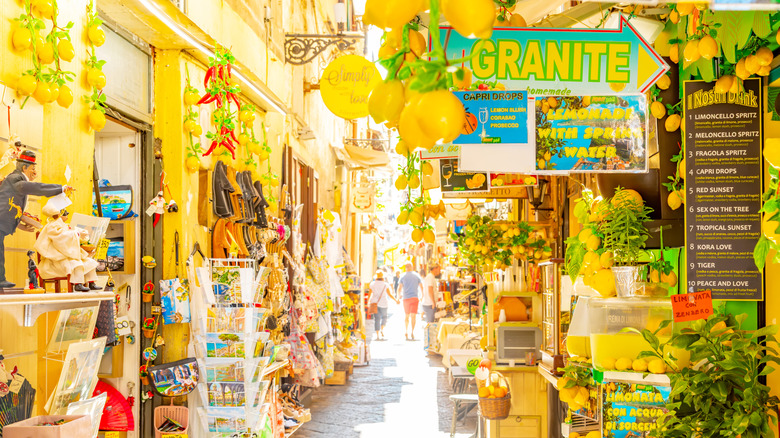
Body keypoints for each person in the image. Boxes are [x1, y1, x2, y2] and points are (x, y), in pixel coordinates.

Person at [0, 150, 72, 288]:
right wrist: (60, 189)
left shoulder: (13, 180)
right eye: (33, 168)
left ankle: (0, 279)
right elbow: (36, 188)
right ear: (24, 168)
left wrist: (19, 224)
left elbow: (9, 206)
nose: (35, 172)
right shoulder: (16, 179)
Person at [34, 204, 100, 291]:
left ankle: (91, 282)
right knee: (76, 264)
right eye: (65, 213)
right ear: (59, 215)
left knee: (90, 262)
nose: (67, 214)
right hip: (56, 258)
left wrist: (81, 234)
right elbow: (61, 238)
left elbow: (69, 234)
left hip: (65, 255)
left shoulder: (63, 225)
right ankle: (78, 284)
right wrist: (77, 234)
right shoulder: (53, 226)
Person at [368, 271, 398, 340]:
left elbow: (369, 294)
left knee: (377, 319)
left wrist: (368, 302)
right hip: (384, 303)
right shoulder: (385, 284)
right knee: (384, 317)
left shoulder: (372, 284)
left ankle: (377, 335)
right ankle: (382, 328)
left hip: (375, 303)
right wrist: (396, 300)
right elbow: (389, 295)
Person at [398, 262, 424, 340]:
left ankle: (406, 331)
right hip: (414, 298)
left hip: (406, 298)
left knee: (406, 316)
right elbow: (421, 287)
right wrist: (422, 296)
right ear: (412, 267)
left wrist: (398, 296)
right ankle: (412, 332)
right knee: (413, 316)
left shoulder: (402, 276)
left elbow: (399, 288)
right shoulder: (417, 275)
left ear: (405, 267)